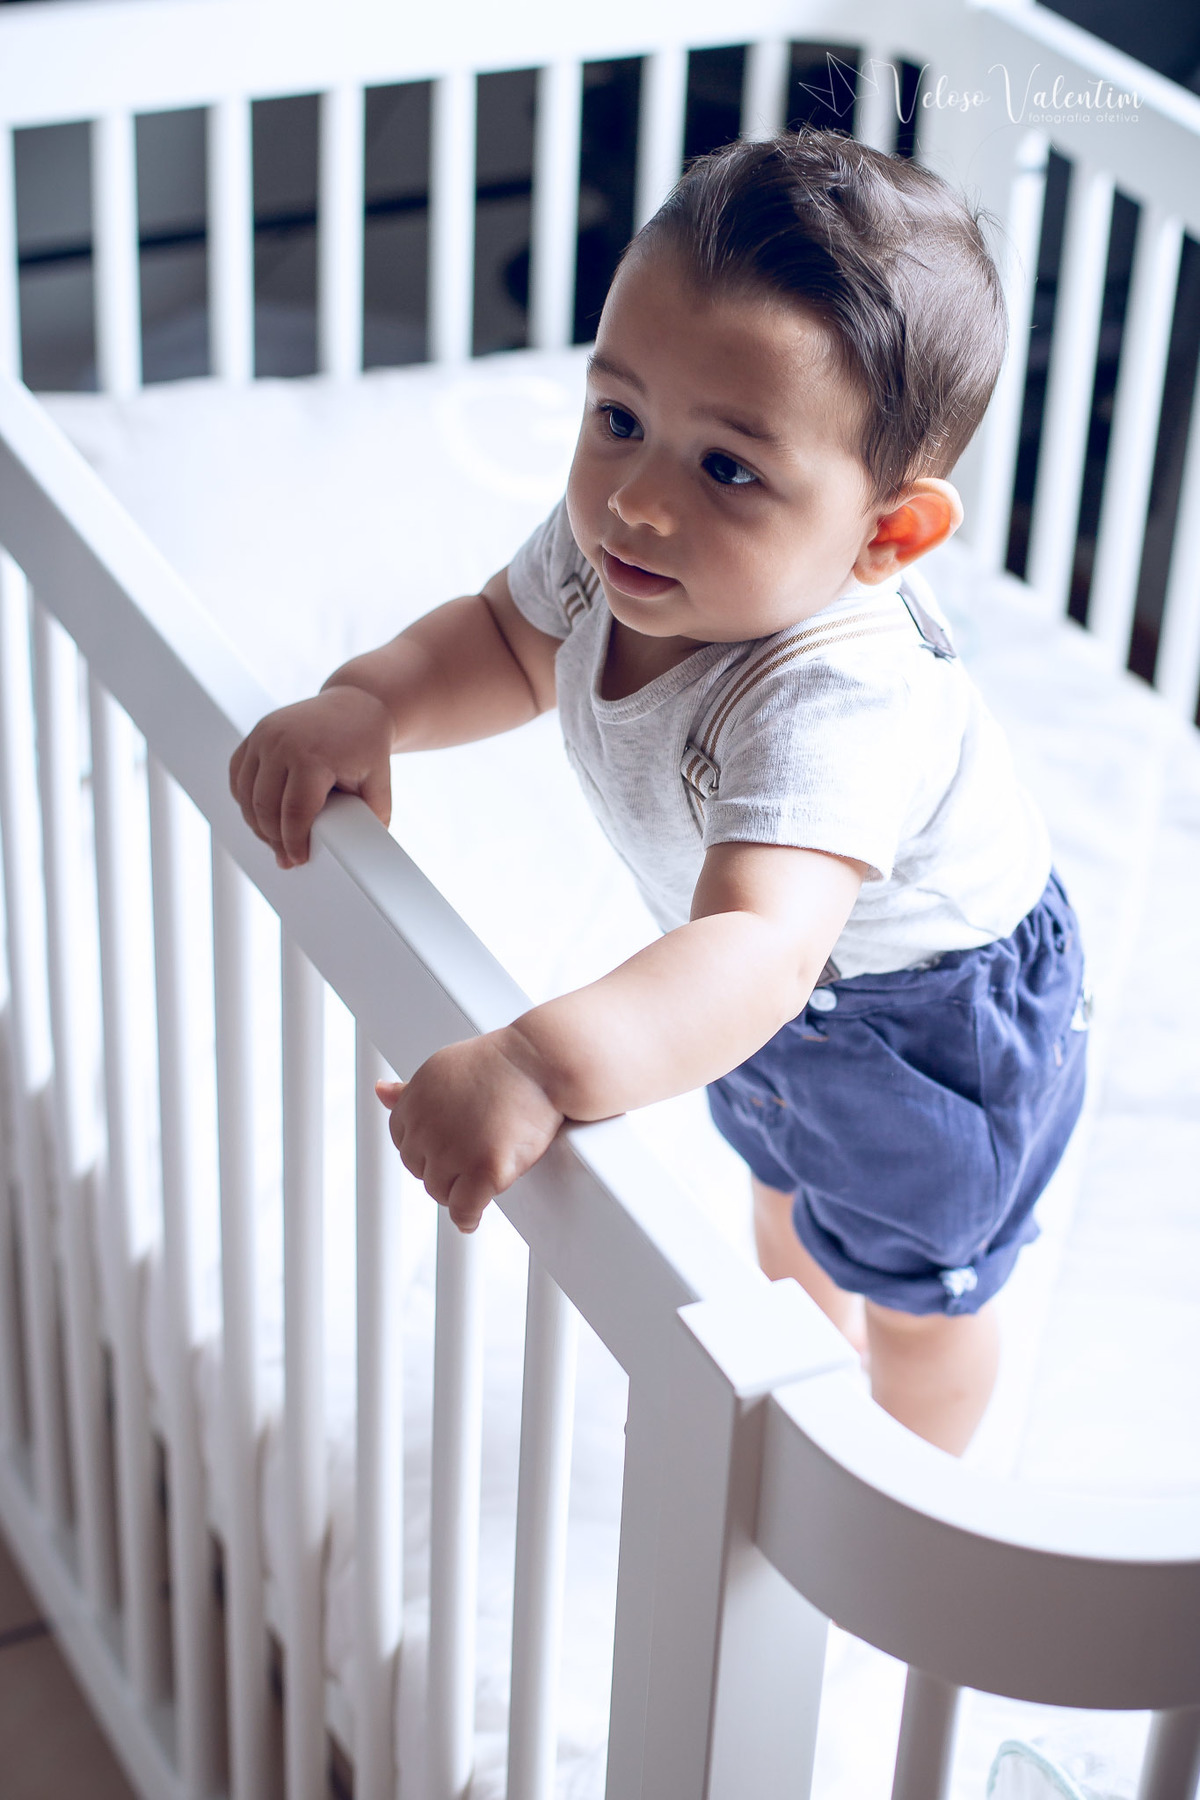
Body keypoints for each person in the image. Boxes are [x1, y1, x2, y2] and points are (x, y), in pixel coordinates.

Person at [230, 131, 1088, 1455]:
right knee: (783, 1206)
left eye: (728, 469)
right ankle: (805, 1419)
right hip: (778, 989)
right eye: (618, 419)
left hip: (925, 1020)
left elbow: (756, 943)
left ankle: (914, 1487)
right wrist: (373, 701)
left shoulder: (835, 695)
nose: (636, 502)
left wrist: (533, 1060)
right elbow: (504, 638)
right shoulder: (621, 546)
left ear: (887, 536)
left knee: (915, 1292)